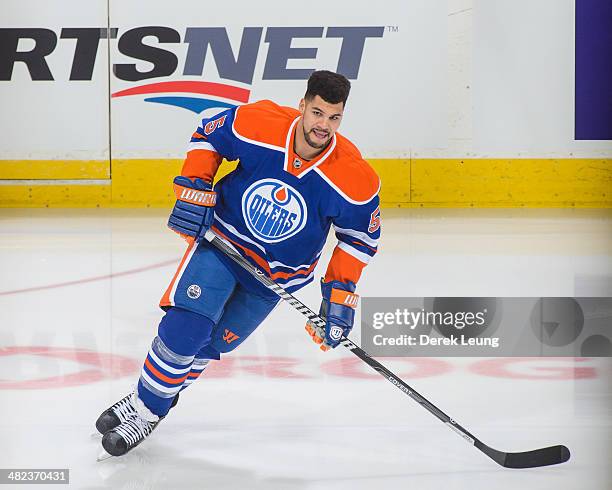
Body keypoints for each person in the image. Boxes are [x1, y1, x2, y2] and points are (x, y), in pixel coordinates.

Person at [95, 70, 381, 457]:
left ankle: (143, 397)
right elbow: (208, 135)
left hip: (274, 278)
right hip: (223, 244)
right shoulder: (258, 123)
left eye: (334, 118)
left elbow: (358, 240)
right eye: (317, 113)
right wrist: (195, 188)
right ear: (303, 105)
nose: (323, 126)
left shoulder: (355, 177)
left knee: (209, 346)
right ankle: (148, 411)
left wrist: (339, 297)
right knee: (185, 329)